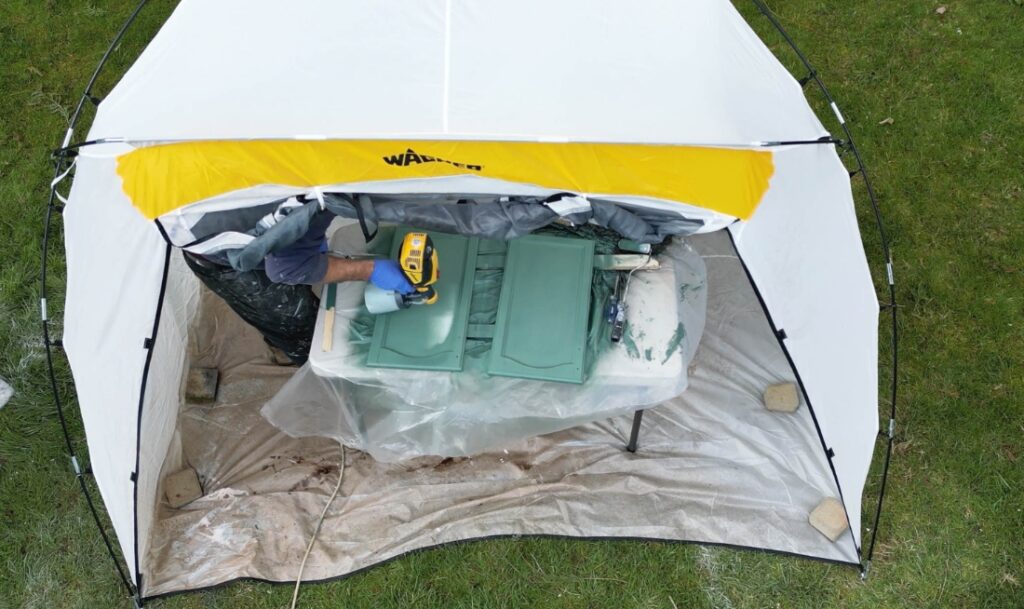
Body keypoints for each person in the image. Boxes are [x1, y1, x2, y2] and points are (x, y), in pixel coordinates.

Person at [183, 211, 413, 364]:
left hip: (246, 227)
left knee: (302, 285)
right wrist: (367, 270)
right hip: (224, 257)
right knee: (295, 320)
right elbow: (287, 270)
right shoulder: (306, 195)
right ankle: (299, 358)